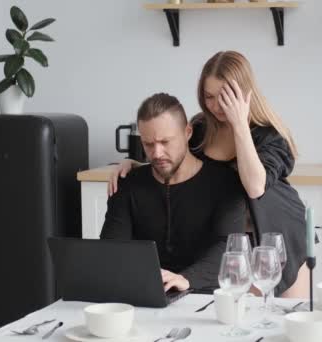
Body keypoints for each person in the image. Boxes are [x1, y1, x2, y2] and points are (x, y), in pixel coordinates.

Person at [109, 51, 309, 297]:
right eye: (209, 96)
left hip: (276, 236)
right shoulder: (202, 128)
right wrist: (134, 164)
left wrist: (240, 124)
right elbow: (178, 159)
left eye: (224, 97)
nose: (215, 106)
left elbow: (255, 186)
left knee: (284, 322)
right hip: (230, 240)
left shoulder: (270, 137)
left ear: (244, 94)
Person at [100, 92, 247, 292]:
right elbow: (111, 251)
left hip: (208, 297)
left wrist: (186, 279)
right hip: (144, 296)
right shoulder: (127, 184)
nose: (157, 153)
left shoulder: (225, 183)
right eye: (148, 144)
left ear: (187, 132)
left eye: (165, 142)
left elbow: (229, 247)